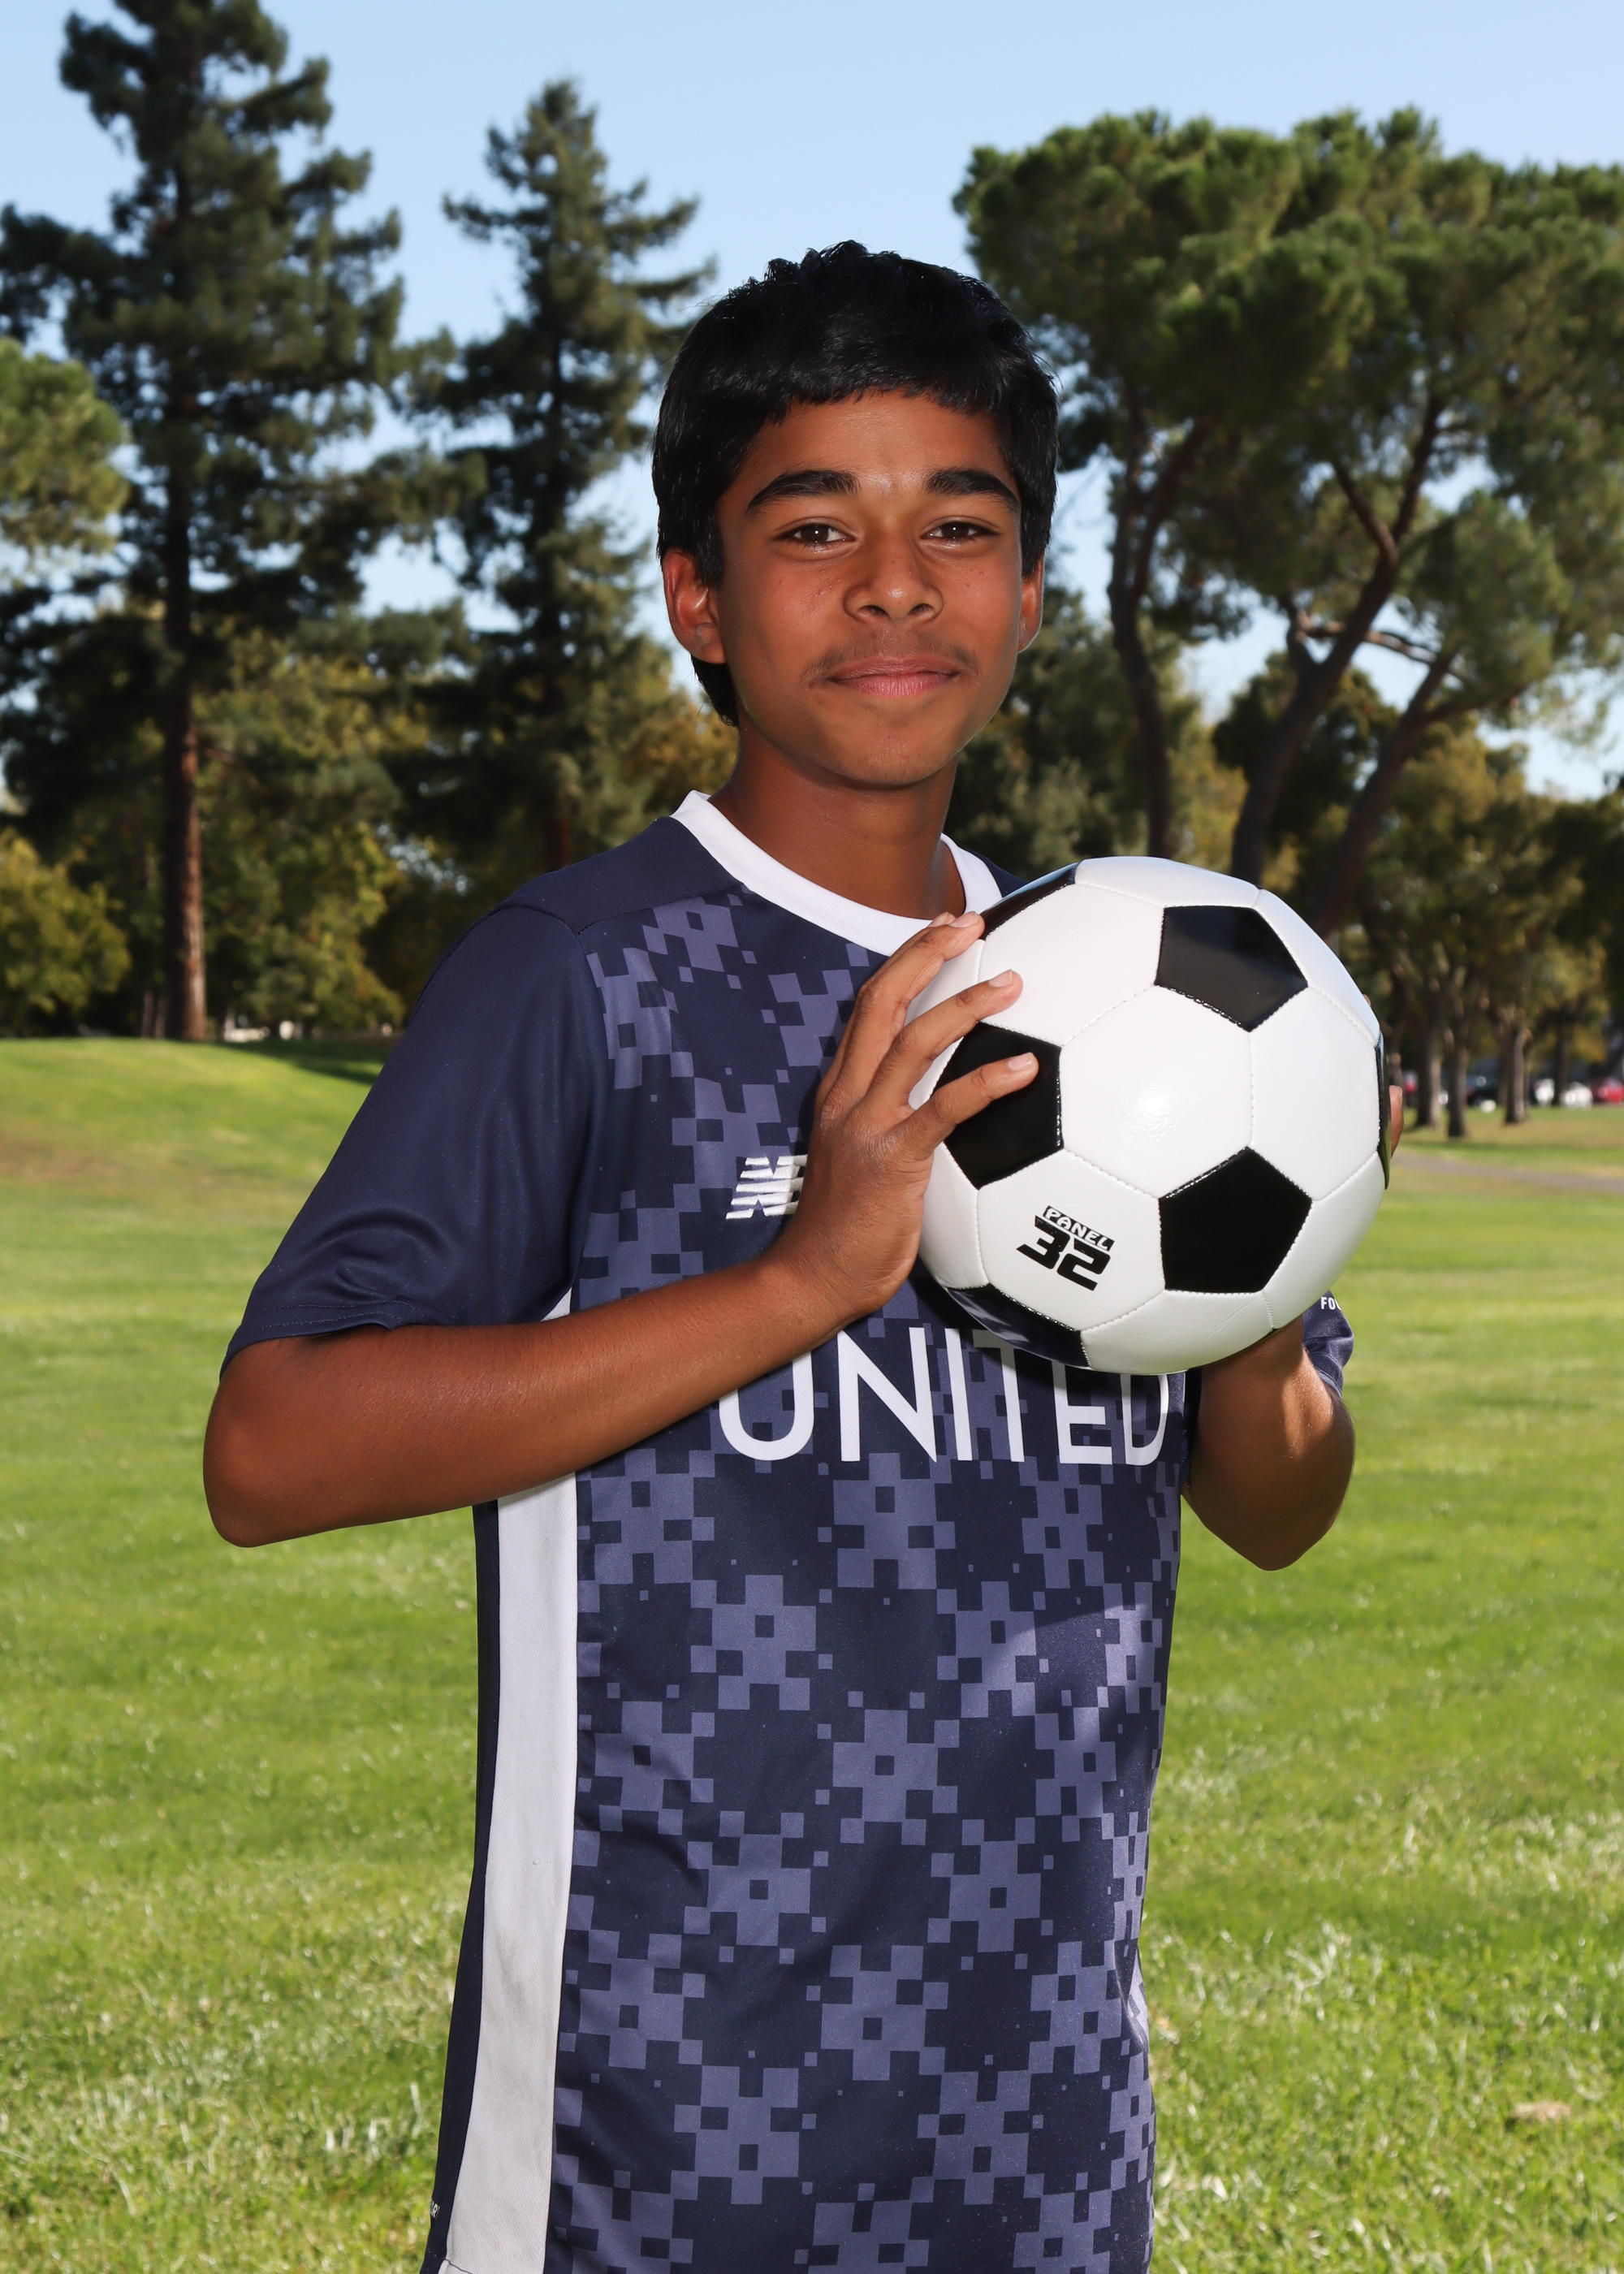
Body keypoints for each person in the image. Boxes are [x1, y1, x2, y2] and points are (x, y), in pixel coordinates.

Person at [207, 244, 1386, 2274]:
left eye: (960, 526)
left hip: (1044, 2140)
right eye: (815, 527)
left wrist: (1266, 1297)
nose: (895, 585)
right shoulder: (578, 973)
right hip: (652, 2153)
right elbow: (272, 1446)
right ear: (699, 597)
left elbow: (1278, 1505)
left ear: (1029, 590)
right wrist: (794, 1281)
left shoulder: (1135, 982)